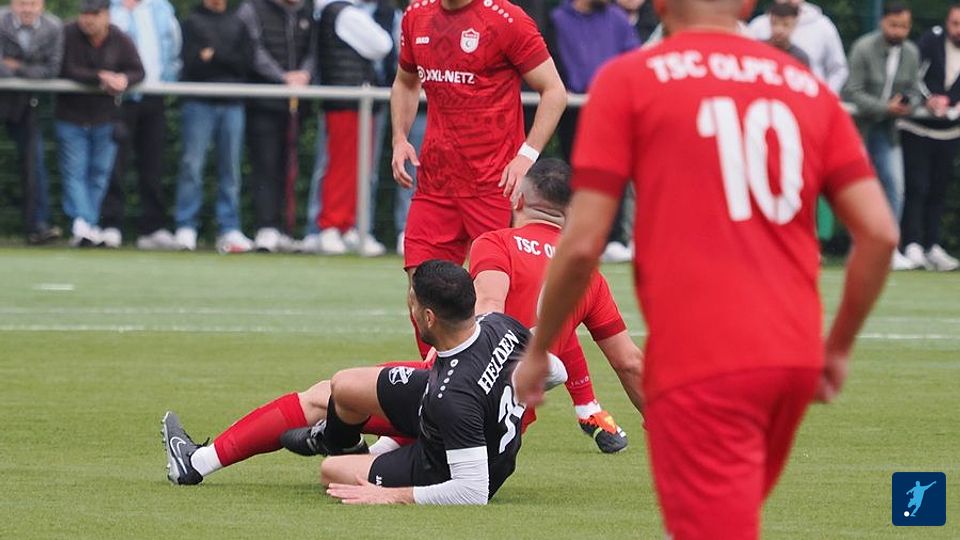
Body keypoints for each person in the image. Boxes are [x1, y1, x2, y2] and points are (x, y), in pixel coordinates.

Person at [513, 0, 898, 536]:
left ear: (661, 5)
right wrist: (836, 348)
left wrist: (539, 350)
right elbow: (880, 234)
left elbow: (581, 245)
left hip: (704, 355)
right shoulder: (804, 85)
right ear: (747, 5)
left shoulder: (630, 81)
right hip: (792, 352)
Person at [165, 260, 531, 505]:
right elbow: (553, 368)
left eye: (413, 304)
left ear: (430, 317)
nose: (410, 309)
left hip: (451, 461)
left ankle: (354, 450)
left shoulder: (452, 395)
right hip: (456, 398)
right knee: (343, 387)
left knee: (332, 471)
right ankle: (331, 437)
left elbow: (473, 490)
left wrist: (395, 496)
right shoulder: (500, 325)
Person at [390, 0, 567, 357]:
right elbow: (406, 82)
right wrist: (399, 138)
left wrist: (525, 155)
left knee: (496, 297)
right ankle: (443, 379)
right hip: (436, 183)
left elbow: (554, 91)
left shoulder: (506, 19)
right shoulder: (417, 16)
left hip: (494, 184)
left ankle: (507, 385)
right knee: (421, 292)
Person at [469, 158, 641, 453]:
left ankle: (588, 408)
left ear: (518, 199)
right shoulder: (587, 274)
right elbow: (629, 363)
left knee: (378, 391)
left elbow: (489, 307)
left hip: (459, 405)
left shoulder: (495, 244)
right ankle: (588, 408)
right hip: (506, 431)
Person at [307, 0, 392, 256]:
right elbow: (383, 45)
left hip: (352, 102)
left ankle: (345, 226)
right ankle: (331, 226)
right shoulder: (345, 13)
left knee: (355, 168)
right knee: (343, 167)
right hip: (348, 102)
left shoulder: (333, 11)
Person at [56, 0, 144, 247]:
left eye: (94, 14)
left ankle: (89, 225)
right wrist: (100, 77)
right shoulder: (67, 33)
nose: (88, 19)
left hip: (105, 118)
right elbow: (64, 68)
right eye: (84, 14)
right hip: (71, 117)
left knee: (100, 174)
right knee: (74, 172)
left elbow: (138, 71)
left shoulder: (119, 37)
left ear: (106, 15)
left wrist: (123, 79)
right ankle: (83, 222)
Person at [173, 0, 255, 253]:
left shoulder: (237, 23)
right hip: (198, 103)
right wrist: (223, 59)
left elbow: (245, 63)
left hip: (232, 103)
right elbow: (192, 64)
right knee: (191, 166)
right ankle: (186, 226)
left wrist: (214, 55)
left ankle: (229, 227)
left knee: (230, 169)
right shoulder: (191, 22)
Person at [843, 2, 920, 271]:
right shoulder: (863, 48)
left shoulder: (911, 52)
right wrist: (885, 107)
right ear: (882, 22)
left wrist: (909, 104)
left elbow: (915, 90)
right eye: (894, 25)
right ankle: (859, 245)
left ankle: (889, 248)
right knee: (857, 190)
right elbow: (852, 91)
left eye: (904, 26)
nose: (899, 31)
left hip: (889, 131)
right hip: (859, 129)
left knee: (895, 186)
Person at [100, 0, 181, 250]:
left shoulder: (161, 9)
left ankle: (152, 228)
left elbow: (174, 50)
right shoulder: (109, 9)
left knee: (152, 165)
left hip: (153, 97)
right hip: (116, 99)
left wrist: (167, 82)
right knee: (113, 163)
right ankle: (110, 225)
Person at [237, 0, 315, 253]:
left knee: (289, 166)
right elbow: (252, 51)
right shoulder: (252, 9)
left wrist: (304, 75)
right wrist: (283, 77)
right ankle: (266, 227)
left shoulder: (307, 11)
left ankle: (285, 230)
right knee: (265, 165)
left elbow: (313, 51)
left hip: (296, 105)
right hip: (263, 103)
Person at [896, 4, 960, 272]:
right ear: (947, 22)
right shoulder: (930, 40)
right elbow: (913, 76)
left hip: (950, 131)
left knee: (938, 189)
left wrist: (951, 103)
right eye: (955, 23)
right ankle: (911, 244)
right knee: (917, 187)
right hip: (918, 128)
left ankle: (932, 245)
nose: (958, 30)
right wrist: (930, 99)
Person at [0, 0, 62, 245]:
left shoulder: (53, 27)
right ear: (12, 4)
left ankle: (37, 225)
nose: (27, 8)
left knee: (34, 163)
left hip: (26, 104)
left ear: (42, 5)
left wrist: (16, 67)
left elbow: (52, 69)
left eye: (33, 3)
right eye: (22, 3)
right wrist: (28, 70)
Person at [747, 0, 847, 94]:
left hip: (809, 100)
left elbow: (838, 68)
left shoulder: (823, 26)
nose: (779, 30)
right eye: (775, 24)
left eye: (786, 25)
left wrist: (825, 97)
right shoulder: (758, 26)